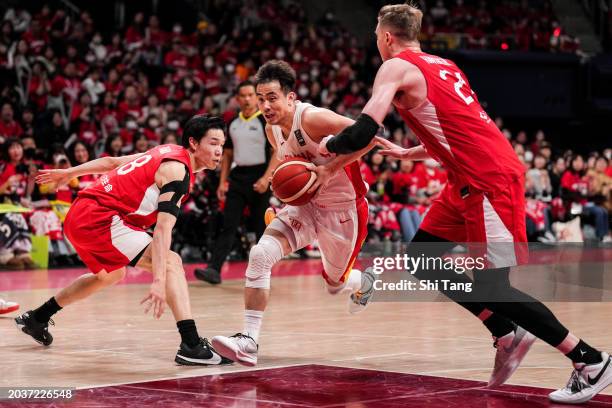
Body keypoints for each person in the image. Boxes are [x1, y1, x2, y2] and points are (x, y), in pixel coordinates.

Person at [318, 4, 612, 403]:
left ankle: (591, 361)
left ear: (386, 36)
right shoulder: (445, 65)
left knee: (496, 289)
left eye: (376, 36)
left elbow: (365, 129)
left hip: (489, 179)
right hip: (465, 178)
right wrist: (410, 155)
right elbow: (461, 128)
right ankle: (504, 329)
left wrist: (330, 145)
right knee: (422, 257)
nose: (377, 43)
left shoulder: (394, 66)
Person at [15, 115, 231, 366]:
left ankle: (37, 318)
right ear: (194, 143)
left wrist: (70, 172)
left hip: (83, 213)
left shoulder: (165, 151)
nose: (219, 151)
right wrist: (159, 280)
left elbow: (113, 162)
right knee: (171, 262)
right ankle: (191, 345)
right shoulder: (177, 171)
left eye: (222, 144)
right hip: (100, 218)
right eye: (213, 143)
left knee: (111, 275)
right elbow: (162, 229)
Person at [210, 60, 377, 367]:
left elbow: (369, 134)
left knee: (334, 285)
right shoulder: (271, 128)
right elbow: (291, 171)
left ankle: (362, 282)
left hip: (342, 210)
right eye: (261, 99)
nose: (265, 105)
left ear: (290, 97)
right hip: (303, 207)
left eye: (272, 97)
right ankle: (248, 340)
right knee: (260, 254)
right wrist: (283, 195)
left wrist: (330, 169)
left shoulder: (313, 118)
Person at [195, 80, 279, 284]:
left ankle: (262, 272)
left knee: (260, 226)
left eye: (252, 95)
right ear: (237, 99)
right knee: (228, 224)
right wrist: (223, 181)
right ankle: (214, 269)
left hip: (260, 175)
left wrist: (267, 178)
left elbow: (277, 150)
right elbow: (228, 155)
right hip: (238, 177)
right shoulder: (232, 122)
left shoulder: (265, 121)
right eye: (244, 95)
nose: (248, 99)